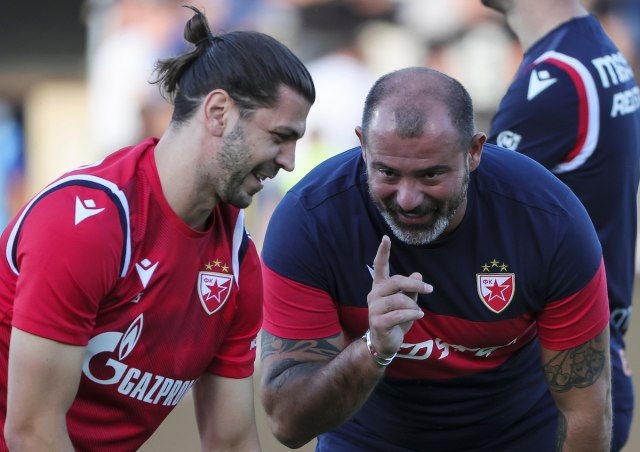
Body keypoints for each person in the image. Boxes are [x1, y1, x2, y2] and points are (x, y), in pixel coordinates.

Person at [0, 5, 314, 451]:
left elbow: (230, 443)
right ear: (219, 112)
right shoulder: (89, 225)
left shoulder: (238, 263)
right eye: (280, 137)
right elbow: (31, 432)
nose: (289, 162)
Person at [259, 67, 611, 451]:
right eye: (387, 172)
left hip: (517, 436)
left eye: (430, 175)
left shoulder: (550, 222)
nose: (408, 198)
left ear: (474, 151)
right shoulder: (309, 221)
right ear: (363, 146)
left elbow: (585, 413)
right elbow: (288, 424)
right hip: (368, 439)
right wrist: (373, 348)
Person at [481, 1, 640, 449]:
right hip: (587, 362)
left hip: (550, 388)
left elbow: (474, 220)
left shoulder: (559, 75)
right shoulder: (591, 49)